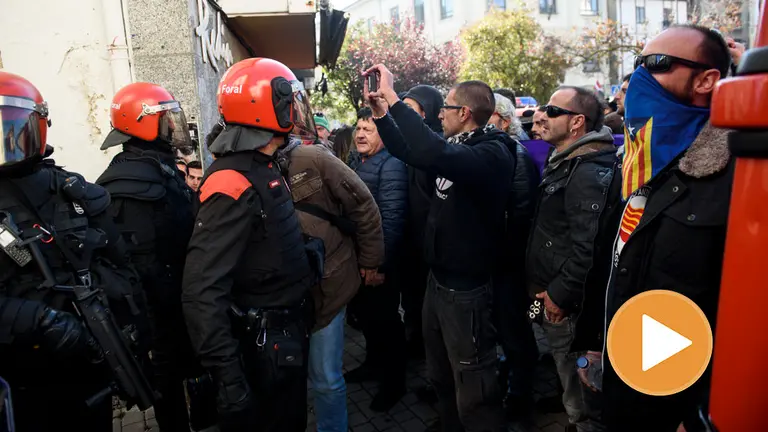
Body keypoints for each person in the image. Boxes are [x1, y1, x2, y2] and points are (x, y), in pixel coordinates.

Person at [593, 25, 734, 432]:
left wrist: (705, 410)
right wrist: (595, 345)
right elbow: (613, 261)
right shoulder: (635, 160)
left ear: (707, 79)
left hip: (678, 400)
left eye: (655, 64)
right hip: (624, 376)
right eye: (638, 62)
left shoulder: (741, 172)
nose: (637, 77)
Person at [365, 66, 514, 432]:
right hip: (438, 282)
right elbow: (410, 150)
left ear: (464, 113)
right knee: (441, 373)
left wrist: (397, 99)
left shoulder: (493, 152)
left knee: (474, 384)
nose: (440, 114)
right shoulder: (456, 147)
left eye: (445, 107)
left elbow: (433, 150)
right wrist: (383, 116)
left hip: (466, 290)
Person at [0, 71, 149, 431]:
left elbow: (121, 263)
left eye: (11, 129)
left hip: (87, 363)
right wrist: (39, 319)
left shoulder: (71, 189)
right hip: (21, 374)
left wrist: (129, 324)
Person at [182, 57, 317, 432]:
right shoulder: (231, 179)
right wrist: (228, 378)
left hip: (283, 339)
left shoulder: (263, 165)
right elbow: (201, 290)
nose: (296, 109)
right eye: (290, 100)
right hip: (260, 350)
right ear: (265, 106)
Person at [96, 82, 217, 432]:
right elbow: (144, 260)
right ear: (142, 122)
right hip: (162, 309)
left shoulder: (151, 165)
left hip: (178, 299)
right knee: (168, 382)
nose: (172, 126)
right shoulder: (131, 181)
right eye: (165, 119)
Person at [527, 86, 621, 432]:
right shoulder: (567, 160)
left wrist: (559, 294)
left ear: (577, 122)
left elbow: (589, 246)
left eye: (552, 111)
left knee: (576, 376)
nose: (541, 116)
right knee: (560, 364)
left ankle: (580, 422)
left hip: (564, 304)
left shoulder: (586, 171)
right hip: (547, 295)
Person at [278, 135, 385, 432]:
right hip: (278, 295)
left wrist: (370, 261)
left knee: (325, 377)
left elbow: (364, 206)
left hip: (327, 286)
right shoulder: (240, 166)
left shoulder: (312, 158)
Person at [346, 107, 409, 411]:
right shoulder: (358, 160)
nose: (359, 134)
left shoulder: (392, 165)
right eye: (358, 128)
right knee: (368, 320)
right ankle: (372, 365)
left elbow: (392, 220)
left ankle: (394, 383)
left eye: (368, 130)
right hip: (359, 259)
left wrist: (378, 265)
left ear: (383, 134)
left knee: (386, 323)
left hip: (379, 263)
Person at [489, 93, 541, 419]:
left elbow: (519, 217)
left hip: (509, 264)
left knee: (515, 330)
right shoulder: (498, 153)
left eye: (488, 116)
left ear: (505, 122)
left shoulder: (516, 156)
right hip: (499, 262)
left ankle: (520, 394)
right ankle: (512, 373)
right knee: (507, 330)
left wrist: (502, 258)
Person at [400, 84, 444, 359]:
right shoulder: (405, 144)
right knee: (413, 304)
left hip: (430, 250)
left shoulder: (437, 149)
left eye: (408, 109)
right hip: (410, 246)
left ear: (426, 113)